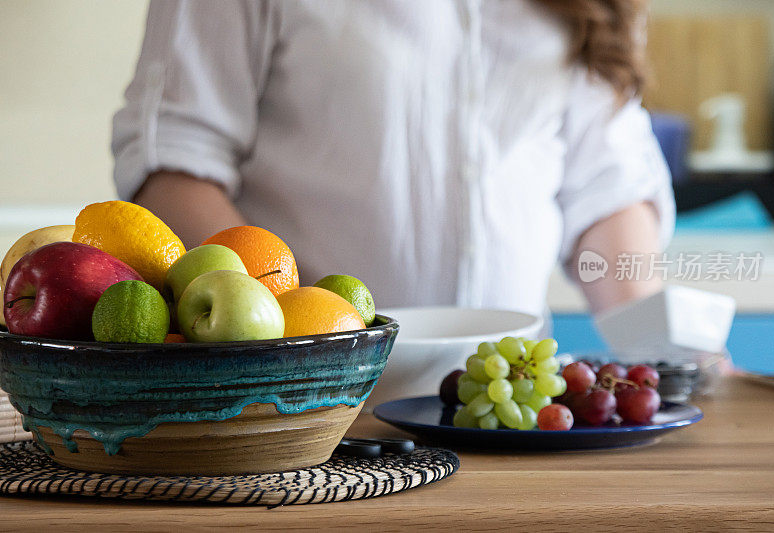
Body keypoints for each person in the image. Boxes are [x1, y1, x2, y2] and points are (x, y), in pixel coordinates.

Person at [112, 0, 673, 319]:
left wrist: (661, 342)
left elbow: (607, 188)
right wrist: (290, 331)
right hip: (306, 407)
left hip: (508, 409)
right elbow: (177, 165)